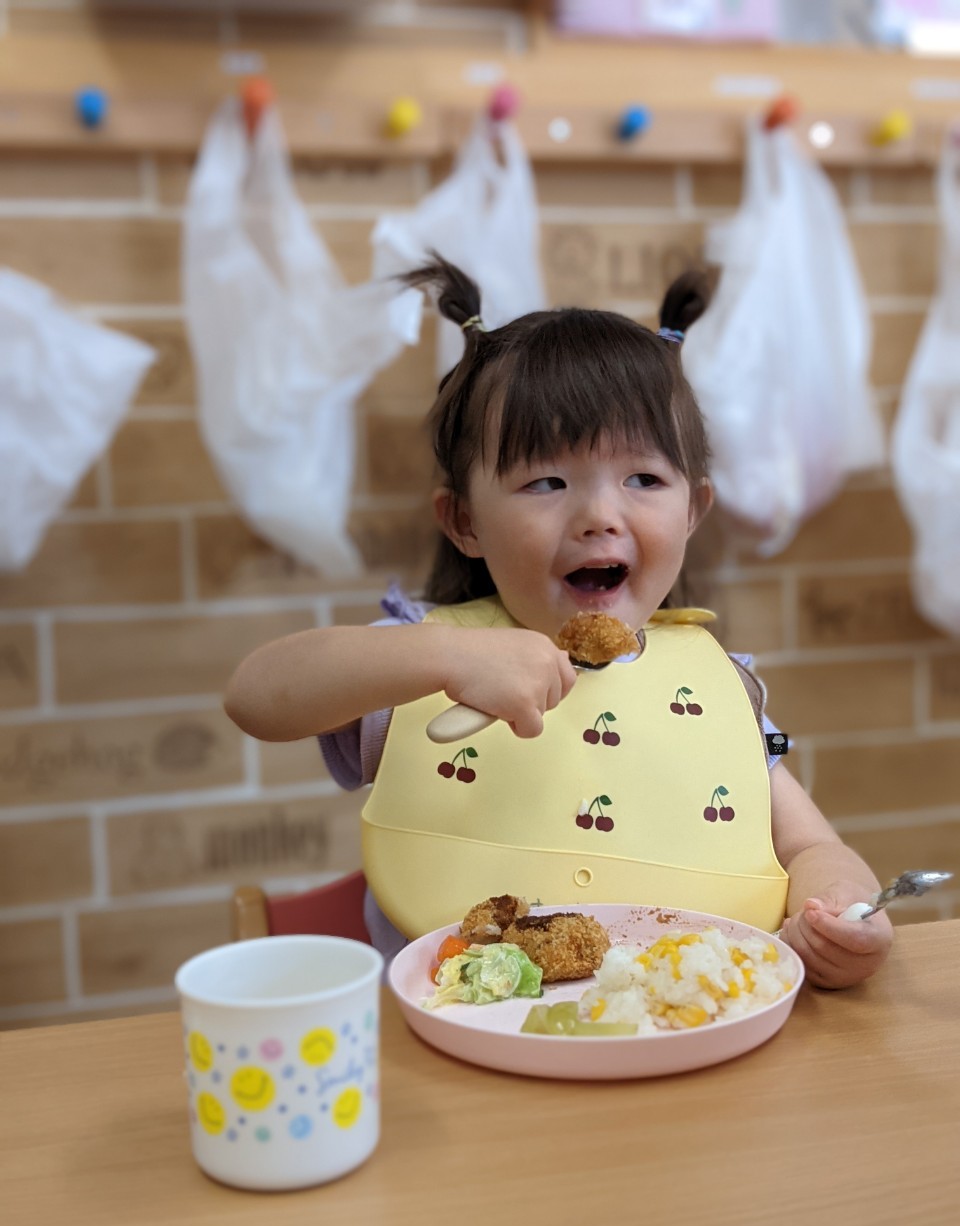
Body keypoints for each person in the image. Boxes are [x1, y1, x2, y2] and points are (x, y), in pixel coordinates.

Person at [224, 255, 893, 990]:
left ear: (693, 511)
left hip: (681, 1028)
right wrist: (444, 658)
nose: (599, 515)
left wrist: (841, 911)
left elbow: (810, 847)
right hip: (455, 1034)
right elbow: (256, 695)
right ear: (465, 521)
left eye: (643, 478)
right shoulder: (428, 660)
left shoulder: (715, 686)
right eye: (546, 481)